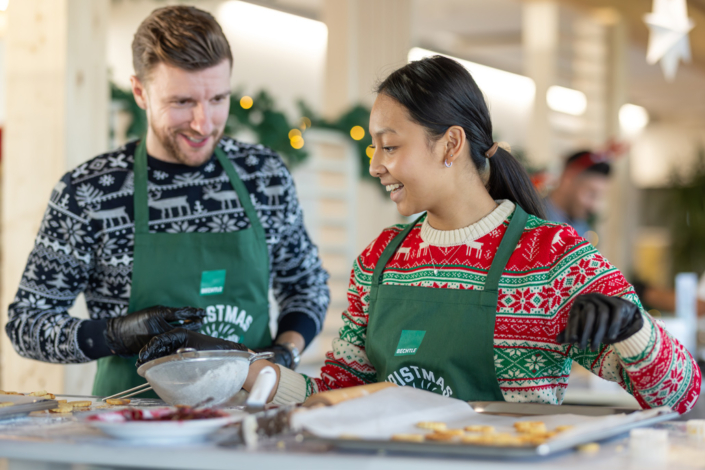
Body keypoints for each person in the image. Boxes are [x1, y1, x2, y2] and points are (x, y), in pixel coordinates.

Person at [139, 56, 701, 413]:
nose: (377, 164)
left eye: (389, 145)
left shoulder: (553, 259)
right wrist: (243, 369)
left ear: (450, 145)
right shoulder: (381, 258)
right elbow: (339, 395)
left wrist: (634, 330)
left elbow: (685, 397)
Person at [5, 6, 330, 397]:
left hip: (252, 424)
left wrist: (283, 356)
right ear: (140, 92)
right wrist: (113, 334)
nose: (203, 123)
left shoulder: (264, 176)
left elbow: (307, 285)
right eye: (182, 102)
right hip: (131, 428)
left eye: (218, 99)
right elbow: (27, 324)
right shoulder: (90, 192)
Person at [544, 150, 612, 238]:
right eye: (591, 194)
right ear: (568, 180)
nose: (595, 206)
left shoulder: (584, 232)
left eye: (600, 197)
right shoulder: (532, 220)